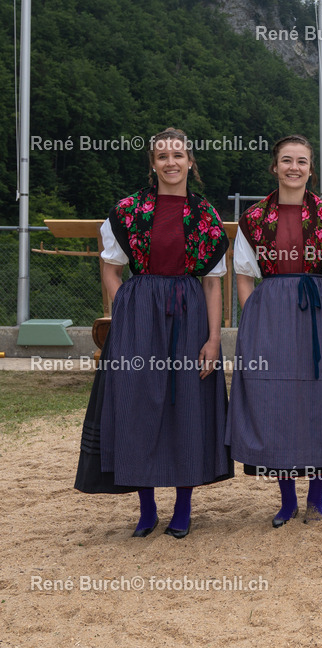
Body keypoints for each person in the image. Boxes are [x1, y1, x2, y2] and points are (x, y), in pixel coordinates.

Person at [76, 127, 232, 539]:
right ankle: (146, 508)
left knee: (187, 407)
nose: (171, 163)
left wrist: (214, 339)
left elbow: (213, 282)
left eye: (178, 155)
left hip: (188, 309)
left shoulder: (206, 215)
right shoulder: (128, 211)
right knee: (138, 404)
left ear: (190, 162)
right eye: (162, 156)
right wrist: (125, 306)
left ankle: (183, 508)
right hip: (139, 313)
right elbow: (110, 269)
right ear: (153, 163)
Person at [228, 135, 322, 527]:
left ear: (310, 169)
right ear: (275, 167)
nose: (294, 167)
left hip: (317, 314)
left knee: (321, 402)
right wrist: (258, 319)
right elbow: (244, 276)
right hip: (271, 317)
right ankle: (286, 500)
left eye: (301, 161)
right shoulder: (253, 218)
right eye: (286, 160)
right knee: (274, 403)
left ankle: (316, 499)